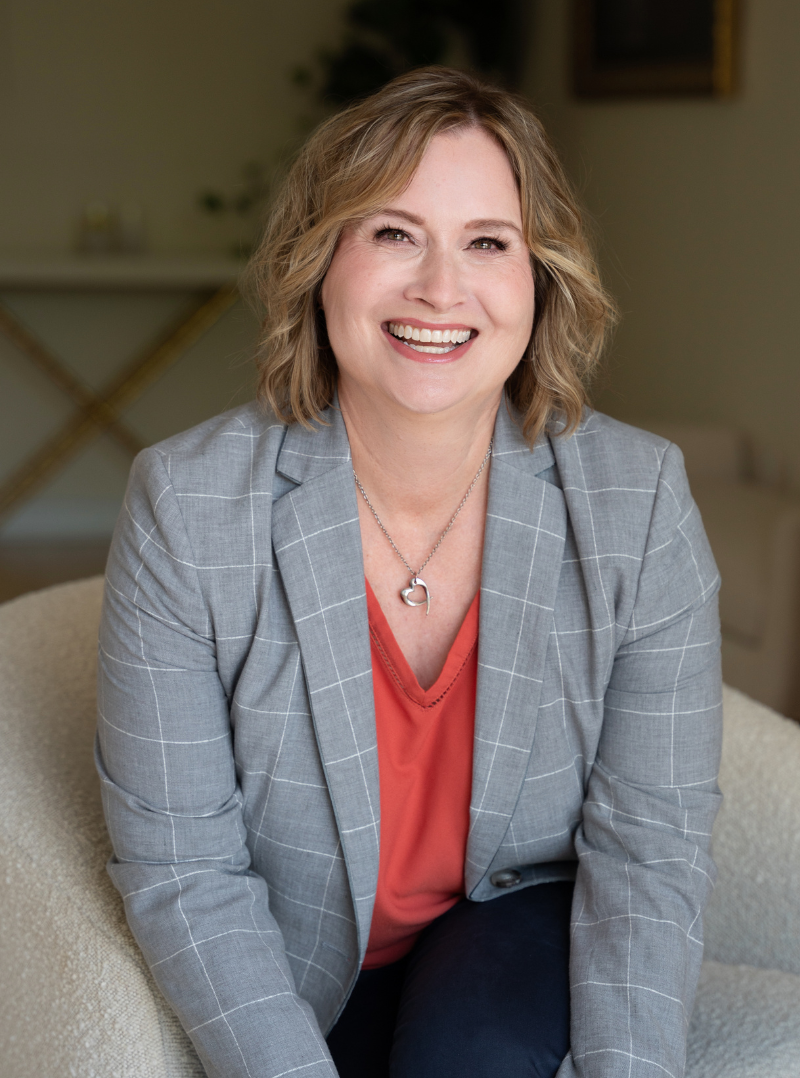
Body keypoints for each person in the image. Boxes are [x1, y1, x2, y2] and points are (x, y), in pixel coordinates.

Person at [97, 67, 722, 1078]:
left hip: (513, 915)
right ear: (319, 264)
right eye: (392, 234)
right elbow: (183, 868)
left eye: (487, 241)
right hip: (297, 954)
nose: (441, 288)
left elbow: (648, 848)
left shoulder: (635, 499)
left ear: (538, 277)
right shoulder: (188, 505)